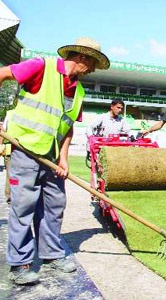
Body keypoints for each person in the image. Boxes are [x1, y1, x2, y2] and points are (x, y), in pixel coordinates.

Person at [0, 37, 110, 285]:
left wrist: (63, 158)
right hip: (25, 150)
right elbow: (3, 74)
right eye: (93, 63)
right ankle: (20, 265)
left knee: (54, 206)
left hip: (50, 157)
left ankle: (51, 256)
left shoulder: (79, 90)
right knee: (23, 208)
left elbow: (67, 128)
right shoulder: (42, 66)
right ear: (82, 57)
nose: (92, 69)